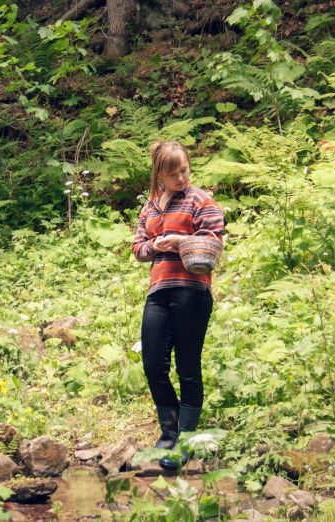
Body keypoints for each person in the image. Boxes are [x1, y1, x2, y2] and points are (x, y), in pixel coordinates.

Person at [131, 140, 225, 470]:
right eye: (173, 174)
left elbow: (214, 243)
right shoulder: (151, 204)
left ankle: (185, 438)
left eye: (184, 170)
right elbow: (138, 247)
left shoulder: (201, 200)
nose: (181, 178)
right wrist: (156, 245)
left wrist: (182, 240)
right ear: (160, 174)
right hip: (158, 290)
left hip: (192, 290)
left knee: (187, 365)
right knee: (154, 364)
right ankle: (167, 432)